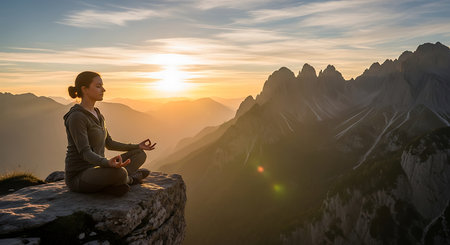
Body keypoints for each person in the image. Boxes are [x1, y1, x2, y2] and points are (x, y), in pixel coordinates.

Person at [63, 71, 156, 196]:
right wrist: (107, 163)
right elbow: (85, 153)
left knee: (140, 154)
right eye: (98, 86)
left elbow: (109, 143)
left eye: (102, 86)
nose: (103, 89)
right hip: (80, 176)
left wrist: (137, 146)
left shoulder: (97, 113)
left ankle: (114, 184)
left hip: (100, 168)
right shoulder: (77, 117)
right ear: (84, 89)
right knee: (121, 172)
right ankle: (130, 179)